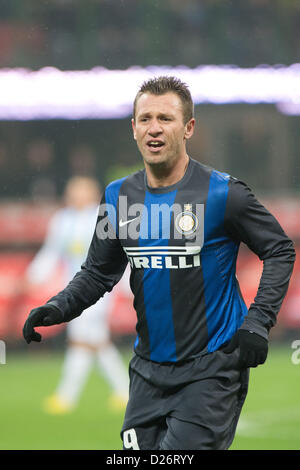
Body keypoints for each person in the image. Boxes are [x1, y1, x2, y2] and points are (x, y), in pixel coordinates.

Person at [23, 76, 295, 450]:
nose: (154, 128)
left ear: (188, 128)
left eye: (165, 118)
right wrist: (58, 307)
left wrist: (257, 322)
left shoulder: (223, 193)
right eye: (145, 118)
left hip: (211, 370)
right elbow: (99, 271)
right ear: (133, 128)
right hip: (147, 372)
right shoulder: (118, 196)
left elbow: (280, 250)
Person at [25, 176, 129, 414]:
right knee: (94, 342)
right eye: (73, 191)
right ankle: (123, 391)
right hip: (73, 289)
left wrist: (125, 285)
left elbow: (119, 251)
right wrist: (34, 275)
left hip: (100, 288)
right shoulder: (62, 220)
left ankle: (66, 397)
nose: (76, 195)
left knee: (82, 340)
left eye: (81, 191)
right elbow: (52, 252)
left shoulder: (102, 216)